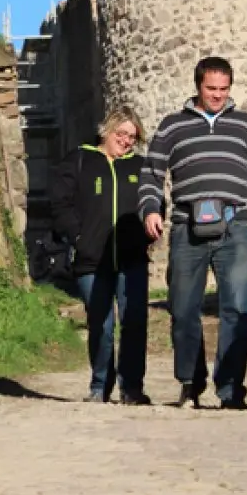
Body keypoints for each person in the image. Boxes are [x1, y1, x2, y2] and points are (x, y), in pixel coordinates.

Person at [140, 57, 247, 409]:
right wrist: (151, 209)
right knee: (183, 309)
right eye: (211, 88)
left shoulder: (245, 124)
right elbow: (152, 173)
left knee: (237, 310)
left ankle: (230, 389)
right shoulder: (172, 126)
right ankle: (190, 382)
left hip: (236, 226)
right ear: (198, 86)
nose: (217, 95)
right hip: (187, 226)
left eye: (224, 89)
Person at [50, 106, 153, 405]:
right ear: (106, 130)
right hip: (91, 259)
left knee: (134, 322)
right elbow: (60, 203)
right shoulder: (80, 160)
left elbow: (154, 202)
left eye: (132, 137)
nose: (126, 141)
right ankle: (100, 385)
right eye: (121, 134)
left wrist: (149, 229)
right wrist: (78, 237)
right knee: (101, 324)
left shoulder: (140, 167)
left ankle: (132, 387)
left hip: (132, 259)